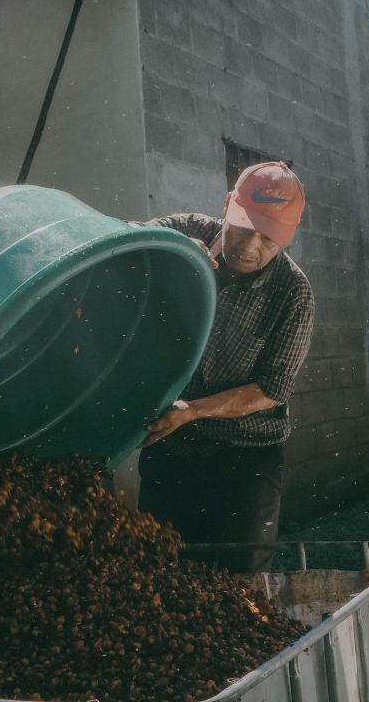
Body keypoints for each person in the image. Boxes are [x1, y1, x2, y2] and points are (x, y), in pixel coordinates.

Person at [136, 161, 314, 572]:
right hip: (171, 447)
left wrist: (194, 410)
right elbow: (117, 239)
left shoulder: (293, 293)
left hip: (247, 456)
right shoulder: (183, 232)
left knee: (241, 579)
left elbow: (271, 390)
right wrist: (172, 254)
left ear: (286, 240)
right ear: (226, 207)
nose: (250, 247)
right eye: (243, 227)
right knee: (165, 569)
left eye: (268, 239)